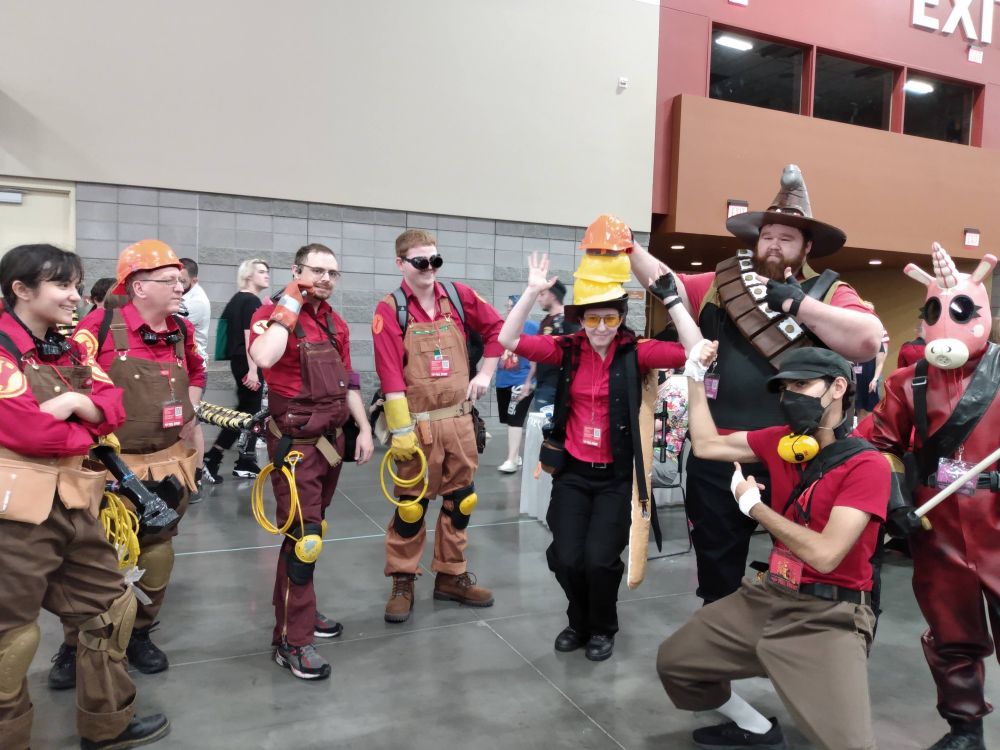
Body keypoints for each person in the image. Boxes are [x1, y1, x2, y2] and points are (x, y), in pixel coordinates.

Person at [629, 163, 882, 604]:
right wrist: (629, 246)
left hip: (801, 454)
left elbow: (866, 339)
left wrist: (801, 307)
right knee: (717, 570)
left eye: (787, 238)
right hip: (719, 450)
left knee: (805, 569)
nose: (774, 245)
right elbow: (662, 282)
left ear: (806, 248)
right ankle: (719, 648)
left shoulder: (829, 292)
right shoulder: (721, 285)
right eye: (768, 235)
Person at [657, 342, 889, 750]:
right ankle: (756, 728)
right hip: (769, 593)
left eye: (802, 385)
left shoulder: (866, 465)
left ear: (837, 388)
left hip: (829, 613)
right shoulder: (781, 440)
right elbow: (708, 444)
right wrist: (694, 378)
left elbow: (824, 554)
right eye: (784, 389)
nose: (789, 398)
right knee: (676, 662)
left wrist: (755, 508)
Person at [0, 244, 169, 750]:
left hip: (76, 500)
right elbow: (26, 430)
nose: (75, 296)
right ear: (21, 291)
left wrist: (75, 404)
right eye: (62, 285)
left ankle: (107, 724)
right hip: (17, 512)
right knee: (11, 637)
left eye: (76, 284)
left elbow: (112, 403)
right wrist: (83, 420)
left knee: (110, 609)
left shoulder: (70, 348)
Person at [500, 228, 687, 660]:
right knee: (566, 557)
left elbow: (694, 352)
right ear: (579, 318)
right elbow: (508, 341)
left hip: (617, 478)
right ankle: (578, 619)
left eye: (610, 318)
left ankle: (602, 627)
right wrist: (531, 293)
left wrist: (673, 299)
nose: (601, 327)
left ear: (621, 318)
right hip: (573, 473)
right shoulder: (566, 349)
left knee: (600, 560)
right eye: (592, 318)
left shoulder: (636, 352)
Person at [47, 239, 205, 681]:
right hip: (107, 470)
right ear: (138, 287)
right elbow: (66, 385)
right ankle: (74, 645)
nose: (181, 288)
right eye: (170, 281)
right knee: (89, 558)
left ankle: (139, 633)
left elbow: (196, 371)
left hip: (168, 465)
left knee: (158, 551)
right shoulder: (95, 328)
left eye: (181, 281)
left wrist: (189, 412)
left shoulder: (182, 331)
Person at [870, 245, 999, 750]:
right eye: (934, 311)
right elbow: (871, 445)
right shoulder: (907, 382)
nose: (945, 322)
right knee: (950, 632)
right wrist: (891, 499)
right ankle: (965, 728)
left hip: (997, 521)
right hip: (936, 527)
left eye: (961, 310)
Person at [249, 243, 374, 680]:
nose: (324, 279)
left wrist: (365, 429)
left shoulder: (334, 322)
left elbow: (349, 382)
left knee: (311, 534)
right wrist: (290, 303)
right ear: (296, 270)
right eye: (316, 271)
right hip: (296, 450)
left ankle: (300, 612)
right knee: (305, 541)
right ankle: (292, 641)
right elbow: (263, 357)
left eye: (332, 273)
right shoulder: (272, 314)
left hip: (332, 444)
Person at [372, 228, 503, 624]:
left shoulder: (460, 298)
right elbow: (390, 374)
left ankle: (451, 575)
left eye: (435, 260)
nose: (429, 268)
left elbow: (498, 330)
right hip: (417, 426)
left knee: (461, 501)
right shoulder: (390, 309)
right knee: (411, 508)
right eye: (420, 262)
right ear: (401, 263)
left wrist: (486, 372)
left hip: (461, 423)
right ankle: (403, 579)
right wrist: (399, 432)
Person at [203, 258, 271, 482]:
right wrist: (253, 370)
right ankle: (217, 458)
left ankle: (243, 460)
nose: (266, 275)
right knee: (247, 414)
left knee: (248, 412)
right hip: (248, 361)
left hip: (241, 360)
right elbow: (249, 334)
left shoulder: (238, 299)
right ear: (249, 275)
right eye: (261, 271)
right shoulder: (250, 300)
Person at [496, 294, 538, 473]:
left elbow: (537, 357)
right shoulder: (501, 327)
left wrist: (529, 381)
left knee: (515, 419)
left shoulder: (532, 328)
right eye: (507, 306)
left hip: (521, 380)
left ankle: (511, 459)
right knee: (509, 419)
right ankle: (516, 455)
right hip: (503, 380)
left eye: (512, 306)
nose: (508, 309)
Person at [526, 279, 579, 412]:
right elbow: (537, 356)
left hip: (559, 385)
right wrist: (528, 381)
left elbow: (578, 350)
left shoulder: (568, 319)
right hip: (543, 383)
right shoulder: (545, 321)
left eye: (542, 294)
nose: (539, 299)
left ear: (553, 295)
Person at [178, 258, 211, 362]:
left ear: (194, 281)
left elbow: (170, 325)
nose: (177, 285)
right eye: (174, 279)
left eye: (182, 281)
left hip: (194, 363)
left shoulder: (197, 301)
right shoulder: (183, 293)